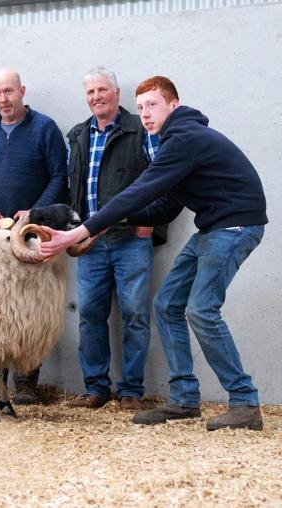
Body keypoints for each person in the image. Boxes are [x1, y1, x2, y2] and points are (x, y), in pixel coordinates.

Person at [40, 76, 268, 431]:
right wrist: (107, 224)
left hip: (235, 226)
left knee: (202, 309)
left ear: (173, 105)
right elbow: (165, 207)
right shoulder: (173, 143)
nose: (145, 113)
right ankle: (184, 400)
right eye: (141, 107)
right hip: (213, 227)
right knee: (166, 304)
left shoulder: (184, 138)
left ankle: (244, 402)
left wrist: (80, 231)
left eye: (153, 105)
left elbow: (141, 191)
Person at [63, 67, 168, 411]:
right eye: (91, 92)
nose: (96, 97)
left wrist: (150, 224)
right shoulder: (78, 135)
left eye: (102, 90)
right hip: (90, 243)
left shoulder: (140, 129)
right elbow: (70, 186)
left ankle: (131, 391)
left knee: (135, 314)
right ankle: (96, 388)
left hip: (130, 240)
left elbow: (164, 177)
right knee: (89, 315)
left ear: (117, 94)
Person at [0, 68, 68, 405]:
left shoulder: (45, 128)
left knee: (29, 309)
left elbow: (60, 177)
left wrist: (34, 212)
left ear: (22, 91)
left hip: (33, 236)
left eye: (8, 91)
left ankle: (26, 382)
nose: (3, 99)